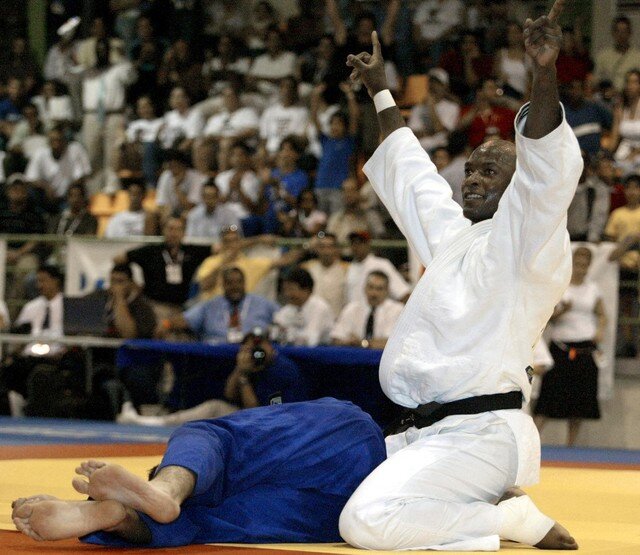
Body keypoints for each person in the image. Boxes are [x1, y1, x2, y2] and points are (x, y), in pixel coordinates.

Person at [338, 1, 580, 549]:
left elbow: (544, 169)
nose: (471, 179)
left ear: (516, 185)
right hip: (425, 430)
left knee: (365, 522)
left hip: (481, 434)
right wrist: (381, 92)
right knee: (325, 492)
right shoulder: (458, 240)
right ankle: (493, 505)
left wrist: (544, 73)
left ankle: (509, 521)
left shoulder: (530, 241)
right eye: (470, 170)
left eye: (489, 171)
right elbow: (412, 175)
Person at [12, 397, 386, 547]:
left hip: (345, 507)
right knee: (204, 501)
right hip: (352, 510)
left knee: (208, 444)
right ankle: (123, 513)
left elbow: (217, 442)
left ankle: (139, 507)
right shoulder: (347, 422)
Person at [118, 329, 309, 426]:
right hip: (260, 416)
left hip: (281, 421)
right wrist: (240, 369)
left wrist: (243, 377)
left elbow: (261, 411)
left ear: (270, 346)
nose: (256, 353)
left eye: (260, 347)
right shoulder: (253, 364)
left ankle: (154, 421)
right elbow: (229, 394)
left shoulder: (281, 369)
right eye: (251, 349)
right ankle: (154, 422)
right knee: (215, 406)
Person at [533, 247, 606, 446]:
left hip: (585, 348)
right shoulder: (560, 287)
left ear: (589, 266)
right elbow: (544, 319)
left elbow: (602, 314)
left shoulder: (593, 289)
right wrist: (562, 311)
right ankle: (532, 442)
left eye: (584, 265)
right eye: (577, 264)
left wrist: (600, 330)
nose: (580, 269)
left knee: (580, 401)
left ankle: (571, 446)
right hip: (561, 348)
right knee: (548, 398)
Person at [158, 267, 279, 344]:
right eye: (230, 283)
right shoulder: (210, 305)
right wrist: (165, 324)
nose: (235, 286)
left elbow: (283, 317)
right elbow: (184, 320)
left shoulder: (262, 303)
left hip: (252, 352)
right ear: (223, 285)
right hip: (216, 355)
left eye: (239, 282)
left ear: (244, 283)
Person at [331, 270, 404, 350]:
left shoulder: (397, 310)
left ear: (387, 291)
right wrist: (348, 342)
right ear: (364, 288)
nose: (374, 293)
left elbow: (393, 342)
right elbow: (335, 338)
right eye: (371, 287)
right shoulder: (351, 309)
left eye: (379, 289)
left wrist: (363, 343)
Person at [272, 267, 334, 347]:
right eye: (285, 289)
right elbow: (274, 333)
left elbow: (310, 340)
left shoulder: (320, 308)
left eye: (291, 289)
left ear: (306, 290)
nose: (287, 294)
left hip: (320, 351)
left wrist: (289, 334)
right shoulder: (288, 309)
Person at [345, 231, 410, 305]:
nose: (356, 246)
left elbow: (403, 294)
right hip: (356, 311)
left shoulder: (381, 264)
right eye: (353, 243)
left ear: (368, 244)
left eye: (360, 243)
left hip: (380, 311)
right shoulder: (350, 268)